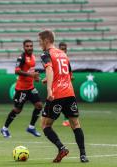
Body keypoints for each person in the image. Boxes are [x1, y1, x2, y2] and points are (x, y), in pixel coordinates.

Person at [38, 30, 89, 163]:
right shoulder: (63, 54)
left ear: (46, 40)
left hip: (57, 94)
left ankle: (61, 148)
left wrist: (49, 88)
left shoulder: (46, 54)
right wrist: (48, 80)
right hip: (69, 93)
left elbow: (49, 69)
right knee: (75, 124)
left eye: (40, 41)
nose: (39, 44)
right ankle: (83, 155)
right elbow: (68, 74)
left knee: (45, 125)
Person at [0, 39, 43, 138]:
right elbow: (17, 71)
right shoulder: (21, 57)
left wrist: (35, 77)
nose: (29, 48)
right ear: (24, 47)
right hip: (21, 89)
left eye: (31, 46)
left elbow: (30, 70)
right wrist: (31, 75)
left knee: (39, 105)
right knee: (17, 110)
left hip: (30, 88)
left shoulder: (33, 56)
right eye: (27, 46)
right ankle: (4, 128)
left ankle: (31, 127)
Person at [58, 42, 71, 127]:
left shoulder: (66, 59)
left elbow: (68, 70)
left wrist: (70, 77)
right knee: (59, 103)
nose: (63, 50)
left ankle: (66, 120)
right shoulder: (56, 59)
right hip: (58, 85)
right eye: (61, 49)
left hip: (65, 84)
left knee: (65, 102)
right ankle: (46, 115)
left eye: (64, 49)